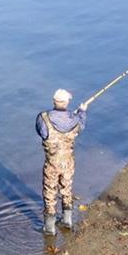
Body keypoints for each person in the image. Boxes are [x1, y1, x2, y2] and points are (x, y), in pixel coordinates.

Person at [37, 88, 86, 234]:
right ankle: (67, 220)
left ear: (54, 101)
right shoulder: (75, 120)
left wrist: (74, 116)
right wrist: (81, 112)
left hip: (51, 163)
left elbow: (40, 131)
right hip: (68, 163)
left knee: (49, 192)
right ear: (66, 102)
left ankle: (49, 228)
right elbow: (81, 126)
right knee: (67, 189)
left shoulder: (43, 118)